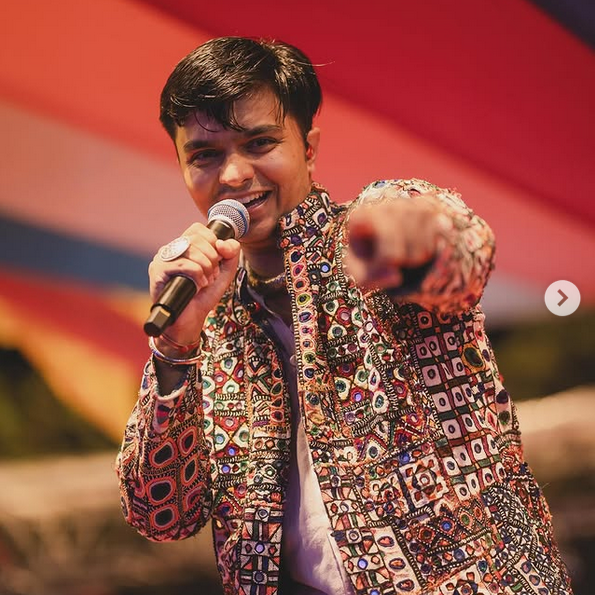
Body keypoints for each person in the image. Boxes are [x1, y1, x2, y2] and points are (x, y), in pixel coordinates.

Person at [115, 36, 573, 595]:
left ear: (308, 148)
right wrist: (174, 350)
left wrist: (393, 239)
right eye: (205, 155)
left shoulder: (367, 233)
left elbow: (466, 253)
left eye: (259, 143)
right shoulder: (206, 317)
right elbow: (160, 515)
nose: (232, 175)